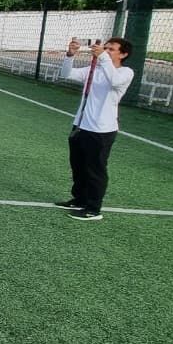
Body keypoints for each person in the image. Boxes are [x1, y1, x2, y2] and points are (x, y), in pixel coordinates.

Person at [56, 36, 134, 221]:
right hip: (81, 126)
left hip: (102, 130)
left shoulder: (125, 72)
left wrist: (102, 57)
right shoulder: (95, 68)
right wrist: (70, 55)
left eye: (111, 49)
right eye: (105, 48)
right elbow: (66, 74)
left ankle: (93, 208)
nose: (106, 51)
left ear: (123, 54)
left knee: (95, 169)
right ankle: (79, 199)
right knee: (78, 166)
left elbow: (114, 81)